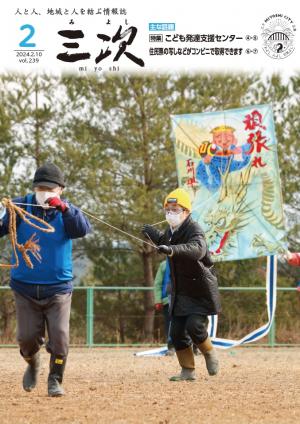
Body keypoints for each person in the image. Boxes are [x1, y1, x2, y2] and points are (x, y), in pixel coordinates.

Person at [0, 162, 91, 396]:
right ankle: (32, 362)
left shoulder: (68, 211)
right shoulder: (19, 207)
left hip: (58, 289)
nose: (45, 192)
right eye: (41, 188)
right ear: (34, 188)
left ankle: (55, 379)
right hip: (25, 288)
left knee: (60, 338)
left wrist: (66, 209)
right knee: (26, 339)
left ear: (61, 189)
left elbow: (82, 229)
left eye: (50, 189)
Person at [142, 188, 221, 381]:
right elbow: (165, 241)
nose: (170, 213)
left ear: (186, 211)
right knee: (176, 333)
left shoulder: (195, 229)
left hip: (199, 290)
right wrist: (153, 235)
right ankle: (187, 370)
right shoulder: (171, 231)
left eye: (175, 209)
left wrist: (171, 249)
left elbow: (197, 249)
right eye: (168, 209)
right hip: (180, 291)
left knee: (195, 326)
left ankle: (209, 352)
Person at [154, 259, 175, 355]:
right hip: (167, 300)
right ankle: (171, 347)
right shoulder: (163, 265)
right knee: (170, 324)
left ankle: (193, 347)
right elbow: (158, 283)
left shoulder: (186, 260)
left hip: (184, 299)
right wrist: (158, 300)